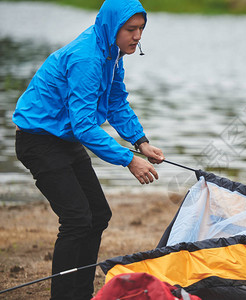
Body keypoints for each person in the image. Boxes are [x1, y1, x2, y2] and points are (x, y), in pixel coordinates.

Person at [12, 0, 164, 299]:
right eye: (130, 29)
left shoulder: (111, 54)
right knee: (77, 219)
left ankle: (80, 294)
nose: (137, 36)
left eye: (141, 29)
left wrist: (140, 142)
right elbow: (84, 126)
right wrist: (128, 160)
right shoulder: (87, 58)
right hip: (38, 140)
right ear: (112, 27)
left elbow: (116, 103)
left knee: (98, 214)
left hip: (64, 139)